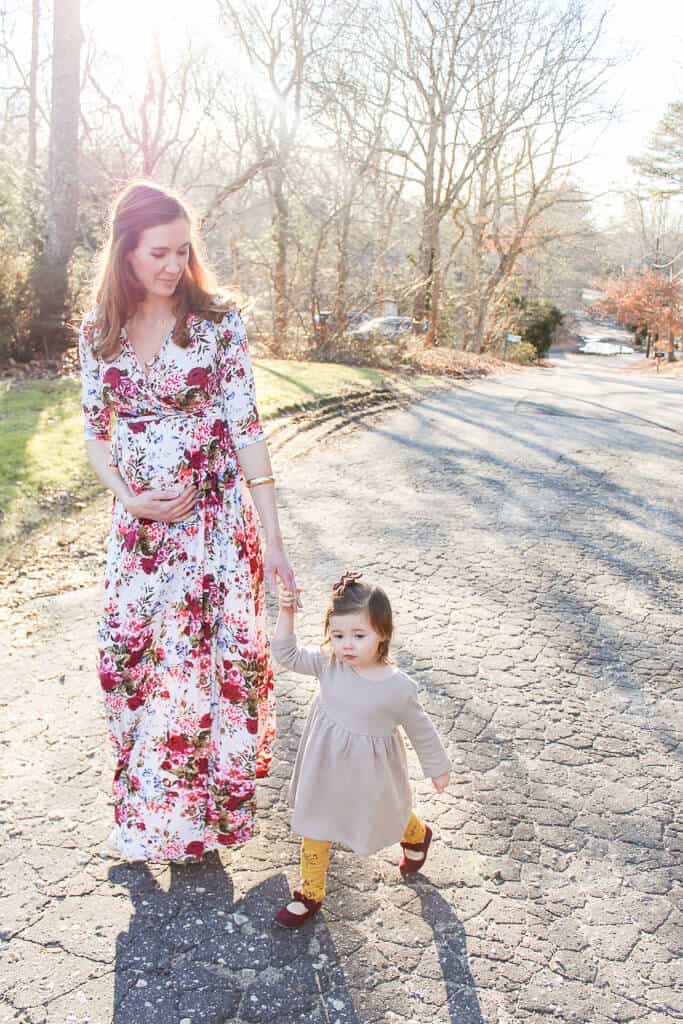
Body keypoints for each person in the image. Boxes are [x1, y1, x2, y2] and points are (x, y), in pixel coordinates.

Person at [78, 180, 298, 862]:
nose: (172, 265)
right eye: (157, 253)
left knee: (201, 669)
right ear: (124, 253)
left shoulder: (215, 324)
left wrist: (274, 541)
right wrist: (127, 496)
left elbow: (247, 428)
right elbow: (93, 433)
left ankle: (187, 823)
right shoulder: (98, 331)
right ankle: (145, 801)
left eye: (181, 250)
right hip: (139, 533)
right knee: (125, 661)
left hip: (213, 529)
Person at [271, 571, 452, 928]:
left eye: (358, 635)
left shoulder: (397, 688)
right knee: (316, 822)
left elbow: (421, 729)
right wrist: (287, 612)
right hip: (323, 768)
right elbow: (287, 654)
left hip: (370, 775)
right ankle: (310, 893)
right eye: (338, 635)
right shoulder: (329, 663)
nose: (346, 645)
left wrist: (437, 767)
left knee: (384, 815)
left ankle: (416, 834)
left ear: (382, 634)